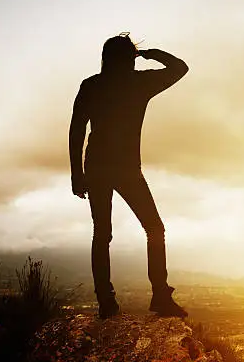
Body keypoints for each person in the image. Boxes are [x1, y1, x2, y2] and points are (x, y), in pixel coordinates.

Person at [68, 33, 189, 319]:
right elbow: (180, 68)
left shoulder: (92, 85)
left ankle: (106, 303)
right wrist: (150, 53)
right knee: (154, 229)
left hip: (96, 166)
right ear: (129, 59)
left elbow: (76, 130)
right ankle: (160, 296)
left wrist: (77, 172)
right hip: (126, 168)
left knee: (102, 234)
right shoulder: (139, 83)